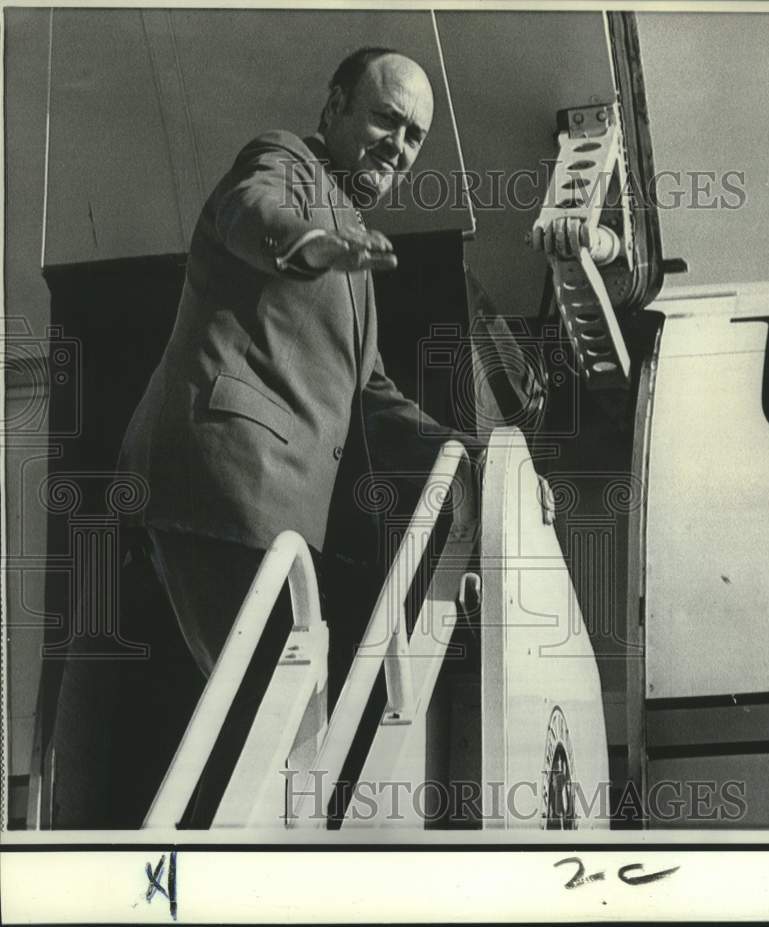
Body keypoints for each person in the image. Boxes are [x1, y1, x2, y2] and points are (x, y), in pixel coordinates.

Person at [117, 48, 468, 823]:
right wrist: (316, 244)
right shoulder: (288, 162)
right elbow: (252, 211)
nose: (397, 146)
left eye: (413, 138)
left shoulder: (359, 267)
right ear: (334, 108)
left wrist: (465, 450)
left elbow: (371, 399)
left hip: (270, 512)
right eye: (385, 117)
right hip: (225, 482)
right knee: (277, 724)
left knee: (316, 698)